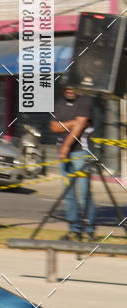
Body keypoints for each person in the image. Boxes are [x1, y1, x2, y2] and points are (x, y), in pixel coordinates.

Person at [50, 83, 96, 242]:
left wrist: (66, 146)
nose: (70, 90)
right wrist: (73, 123)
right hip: (64, 156)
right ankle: (73, 230)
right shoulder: (59, 103)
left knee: (84, 193)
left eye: (73, 88)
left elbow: (81, 123)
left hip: (80, 152)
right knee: (69, 194)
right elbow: (53, 127)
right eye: (67, 88)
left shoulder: (85, 100)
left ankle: (89, 230)